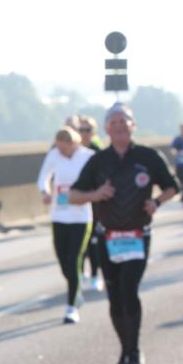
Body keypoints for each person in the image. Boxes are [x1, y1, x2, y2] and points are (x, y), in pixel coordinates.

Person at [70, 104, 179, 364]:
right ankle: (124, 350)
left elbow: (173, 186)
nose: (119, 126)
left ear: (133, 126)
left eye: (124, 121)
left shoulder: (147, 156)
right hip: (107, 237)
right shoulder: (99, 160)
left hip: (137, 235)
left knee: (129, 291)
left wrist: (156, 202)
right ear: (107, 129)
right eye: (113, 122)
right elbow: (73, 195)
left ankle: (134, 351)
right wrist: (97, 195)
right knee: (115, 298)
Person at [37, 127, 95, 323]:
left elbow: (97, 180)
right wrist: (45, 192)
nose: (61, 151)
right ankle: (76, 290)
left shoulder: (88, 156)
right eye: (59, 147)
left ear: (73, 144)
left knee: (73, 260)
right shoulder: (54, 155)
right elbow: (43, 177)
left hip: (80, 216)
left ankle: (71, 307)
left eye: (64, 148)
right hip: (59, 214)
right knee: (64, 262)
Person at [76, 116, 105, 292]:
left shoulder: (98, 153)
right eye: (81, 130)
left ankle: (95, 275)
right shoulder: (73, 151)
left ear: (93, 133)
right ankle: (79, 275)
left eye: (87, 130)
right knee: (79, 244)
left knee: (93, 242)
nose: (84, 133)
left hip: (94, 204)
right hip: (76, 203)